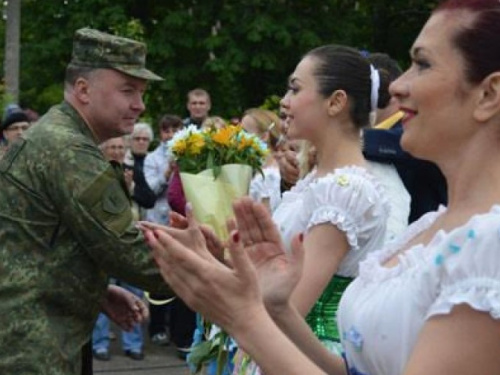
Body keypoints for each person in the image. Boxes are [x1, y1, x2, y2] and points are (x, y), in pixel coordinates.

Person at [144, 0, 500, 374]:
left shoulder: (489, 246)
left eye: (423, 63)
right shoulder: (433, 228)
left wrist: (243, 317)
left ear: (489, 94)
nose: (398, 85)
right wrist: (263, 296)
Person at [0, 28, 172, 375]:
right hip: (36, 349)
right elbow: (136, 258)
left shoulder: (51, 136)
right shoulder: (69, 151)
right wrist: (221, 265)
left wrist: (96, 290)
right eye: (128, 90)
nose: (140, 104)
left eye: (141, 92)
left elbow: (33, 243)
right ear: (83, 90)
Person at [91, 136, 147, 361]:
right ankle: (100, 343)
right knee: (104, 292)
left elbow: (149, 198)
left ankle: (133, 343)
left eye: (120, 147)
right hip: (105, 243)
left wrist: (131, 187)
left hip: (132, 241)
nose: (116, 151)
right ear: (103, 149)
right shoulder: (94, 171)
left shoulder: (133, 171)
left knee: (134, 293)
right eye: (112, 146)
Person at [143, 114, 183, 347]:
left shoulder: (188, 153)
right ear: (160, 134)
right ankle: (157, 327)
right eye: (166, 131)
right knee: (159, 278)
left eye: (175, 130)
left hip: (179, 225)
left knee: (181, 280)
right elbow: (150, 191)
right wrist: (167, 172)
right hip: (160, 224)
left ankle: (179, 331)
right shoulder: (152, 159)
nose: (170, 135)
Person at [241, 108, 284, 213]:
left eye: (245, 132)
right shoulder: (257, 168)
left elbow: (266, 214)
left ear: (264, 136)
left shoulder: (269, 176)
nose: (240, 137)